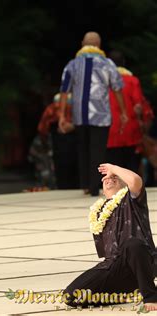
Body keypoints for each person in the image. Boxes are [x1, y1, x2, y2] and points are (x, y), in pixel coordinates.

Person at [64, 163, 157, 312]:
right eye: (106, 177)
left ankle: (151, 296)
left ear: (123, 183)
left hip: (141, 260)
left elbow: (135, 180)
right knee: (70, 296)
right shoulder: (98, 211)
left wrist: (113, 168)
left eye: (115, 177)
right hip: (114, 266)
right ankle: (120, 294)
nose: (109, 178)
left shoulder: (132, 199)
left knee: (132, 244)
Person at [58, 32, 128, 196]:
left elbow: (64, 91)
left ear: (83, 43)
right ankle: (96, 186)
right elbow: (117, 88)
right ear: (99, 44)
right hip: (101, 115)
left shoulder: (73, 64)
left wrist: (62, 115)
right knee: (98, 150)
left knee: (82, 149)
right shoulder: (108, 63)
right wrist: (123, 111)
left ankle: (85, 185)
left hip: (79, 115)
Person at [106, 50, 149, 174]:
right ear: (123, 63)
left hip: (110, 129)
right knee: (131, 167)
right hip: (130, 129)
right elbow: (138, 106)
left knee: (114, 169)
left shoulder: (104, 82)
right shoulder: (132, 81)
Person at [37, 93, 78, 189]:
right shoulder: (53, 109)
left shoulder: (52, 109)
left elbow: (42, 129)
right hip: (63, 142)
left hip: (64, 143)